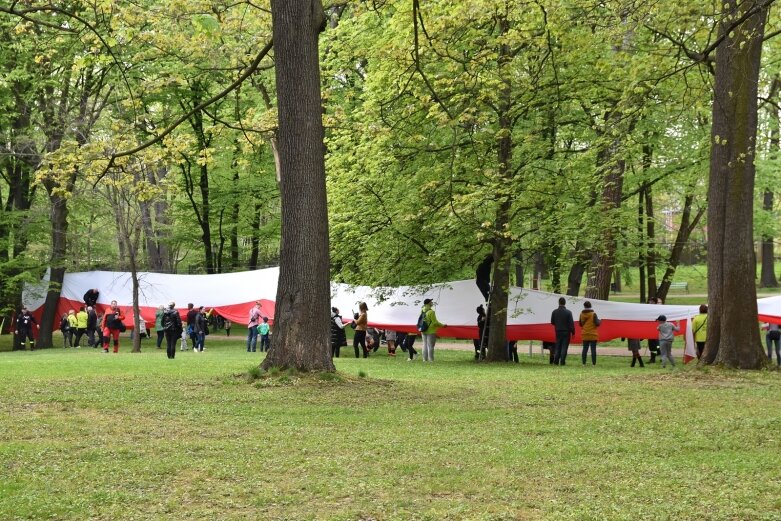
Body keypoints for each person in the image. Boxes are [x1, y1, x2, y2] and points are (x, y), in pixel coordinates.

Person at [550, 297, 575, 365]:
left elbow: (552, 322)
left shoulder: (554, 312)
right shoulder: (569, 312)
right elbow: (571, 324)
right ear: (565, 303)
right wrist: (573, 333)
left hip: (558, 331)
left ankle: (556, 361)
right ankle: (562, 361)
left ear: (559, 302)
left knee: (558, 346)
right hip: (566, 332)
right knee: (564, 347)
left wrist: (558, 324)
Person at [578, 301, 600, 365]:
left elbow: (580, 324)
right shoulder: (593, 314)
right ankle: (593, 363)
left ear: (584, 306)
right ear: (590, 306)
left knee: (585, 349)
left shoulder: (581, 314)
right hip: (593, 334)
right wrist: (600, 321)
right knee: (593, 349)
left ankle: (583, 363)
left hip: (585, 334)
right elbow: (597, 323)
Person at [646, 297, 662, 363]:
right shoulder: (647, 310)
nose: (650, 302)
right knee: (651, 346)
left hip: (657, 330)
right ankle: (652, 359)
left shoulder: (659, 309)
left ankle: (659, 352)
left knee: (658, 344)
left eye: (652, 301)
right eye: (649, 301)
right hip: (650, 330)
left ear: (655, 302)